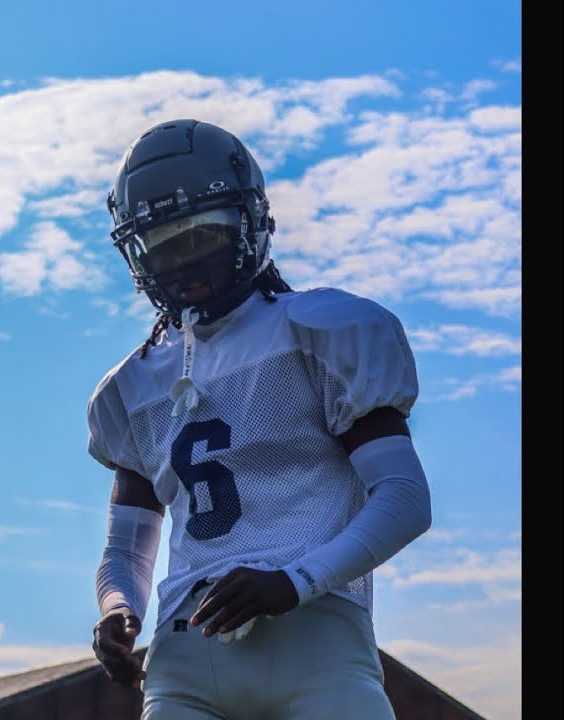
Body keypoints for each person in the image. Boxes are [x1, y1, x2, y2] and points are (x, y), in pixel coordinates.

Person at [86, 118, 432, 719]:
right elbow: (127, 551)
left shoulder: (320, 331)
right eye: (164, 244)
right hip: (185, 657)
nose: (184, 262)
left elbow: (404, 498)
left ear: (248, 224)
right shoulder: (131, 387)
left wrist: (295, 580)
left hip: (316, 639)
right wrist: (118, 608)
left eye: (202, 236)